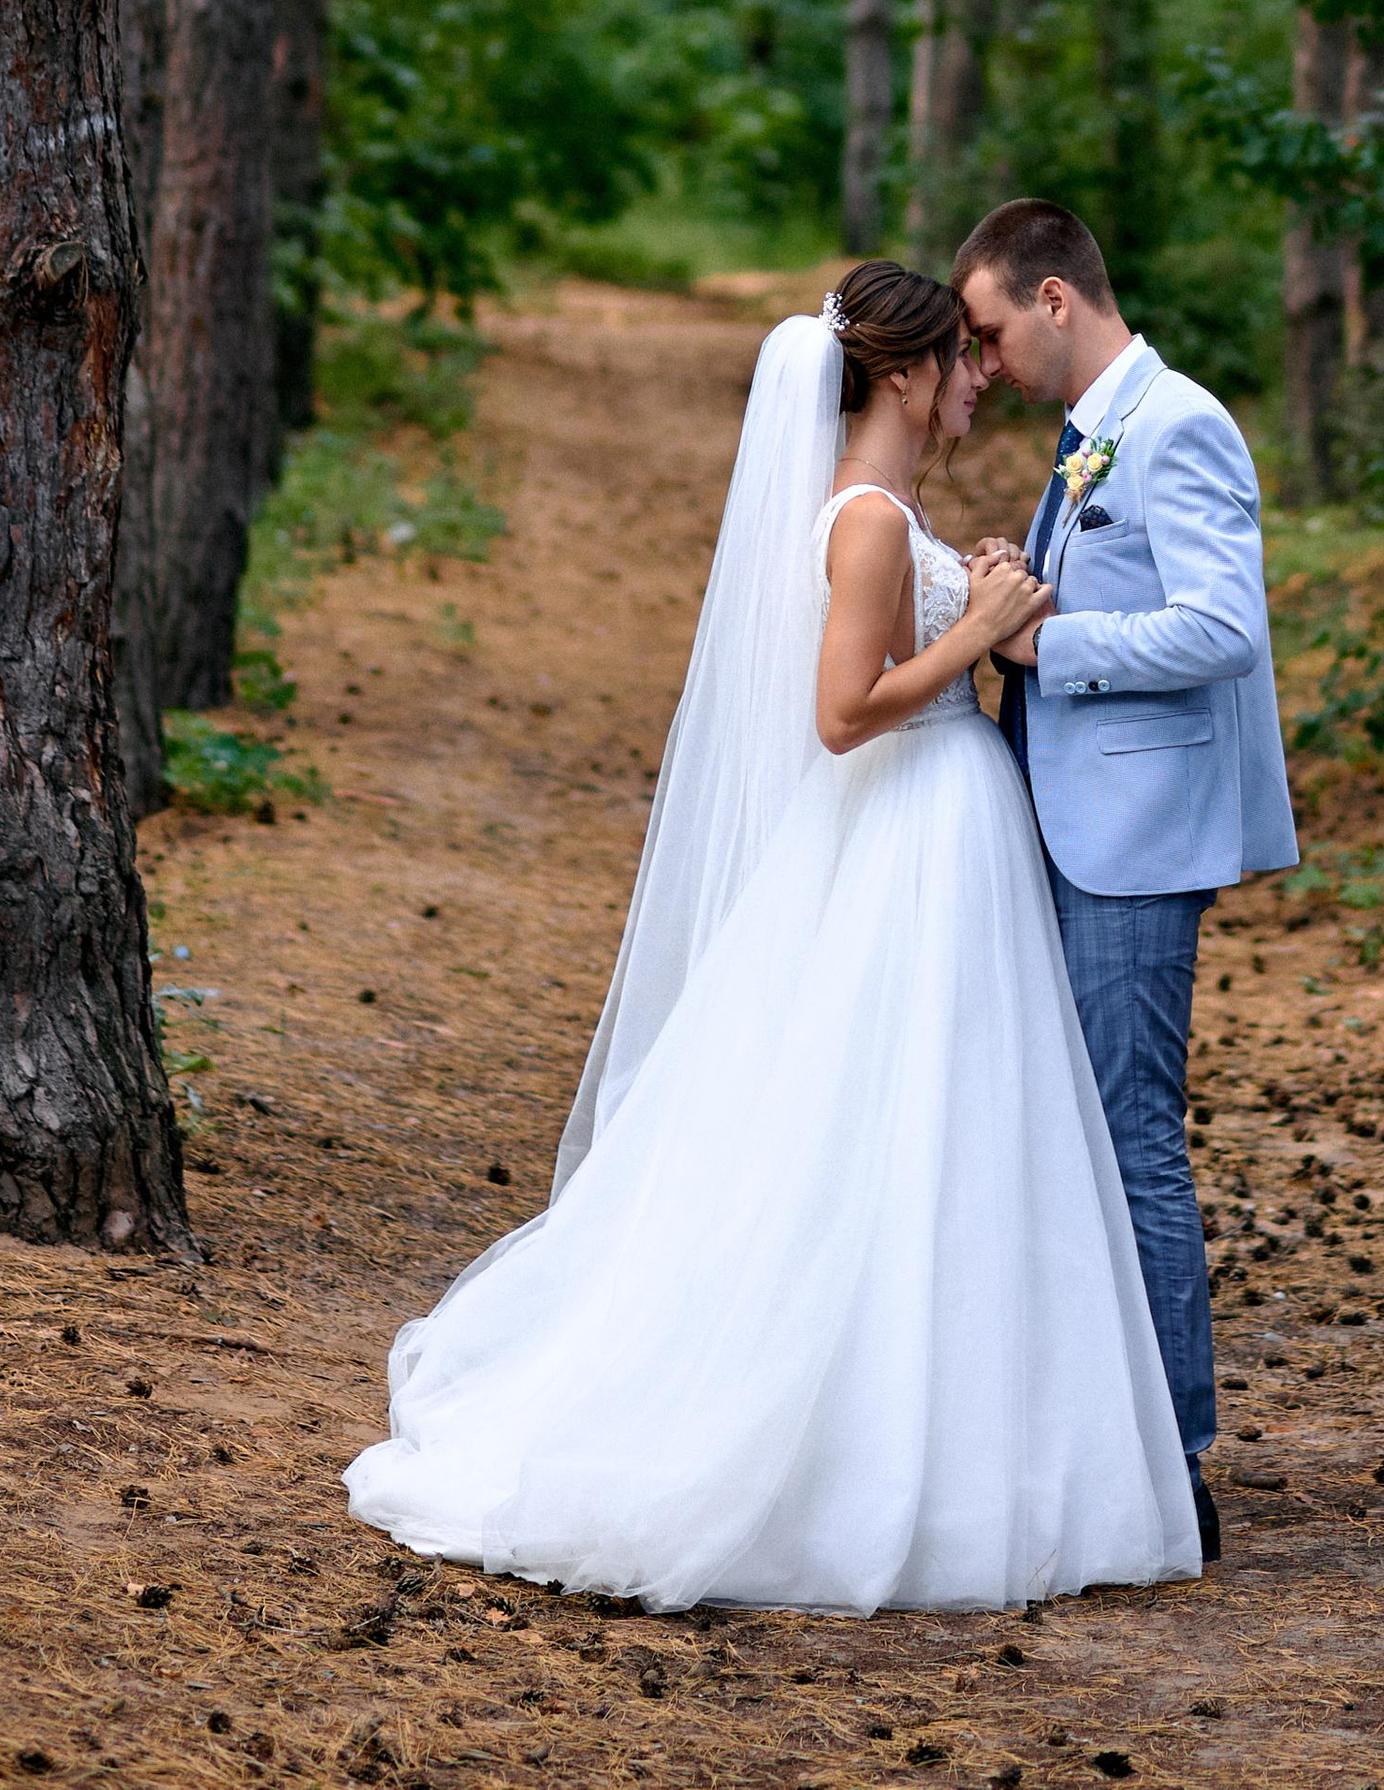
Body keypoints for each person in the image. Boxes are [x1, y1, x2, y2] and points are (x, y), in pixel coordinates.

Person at [344, 259, 1200, 1612]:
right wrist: (978, 629)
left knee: (950, 1133)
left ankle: (965, 1423)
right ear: (908, 374)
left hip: (940, 829)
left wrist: (978, 596)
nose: (981, 378)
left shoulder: (889, 510)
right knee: (881, 1126)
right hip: (909, 814)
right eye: (963, 361)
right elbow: (844, 710)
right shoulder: (864, 516)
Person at [951, 198, 1298, 1570]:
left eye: (987, 329)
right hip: (1075, 815)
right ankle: (1098, 1434)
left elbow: (1223, 626)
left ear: (1051, 297)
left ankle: (1177, 1459)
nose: (982, 360)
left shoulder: (1180, 422)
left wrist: (1047, 642)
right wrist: (1013, 591)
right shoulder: (1094, 431)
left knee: (1132, 1133)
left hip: (1133, 836)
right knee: (1081, 1128)